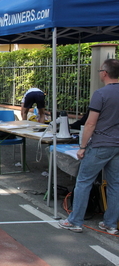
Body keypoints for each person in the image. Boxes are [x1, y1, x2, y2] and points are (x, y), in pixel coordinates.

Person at [58, 59, 119, 234]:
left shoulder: (100, 94)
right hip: (117, 145)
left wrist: (82, 146)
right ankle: (110, 224)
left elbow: (91, 123)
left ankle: (75, 221)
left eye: (100, 70)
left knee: (84, 181)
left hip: (100, 144)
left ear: (105, 73)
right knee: (115, 184)